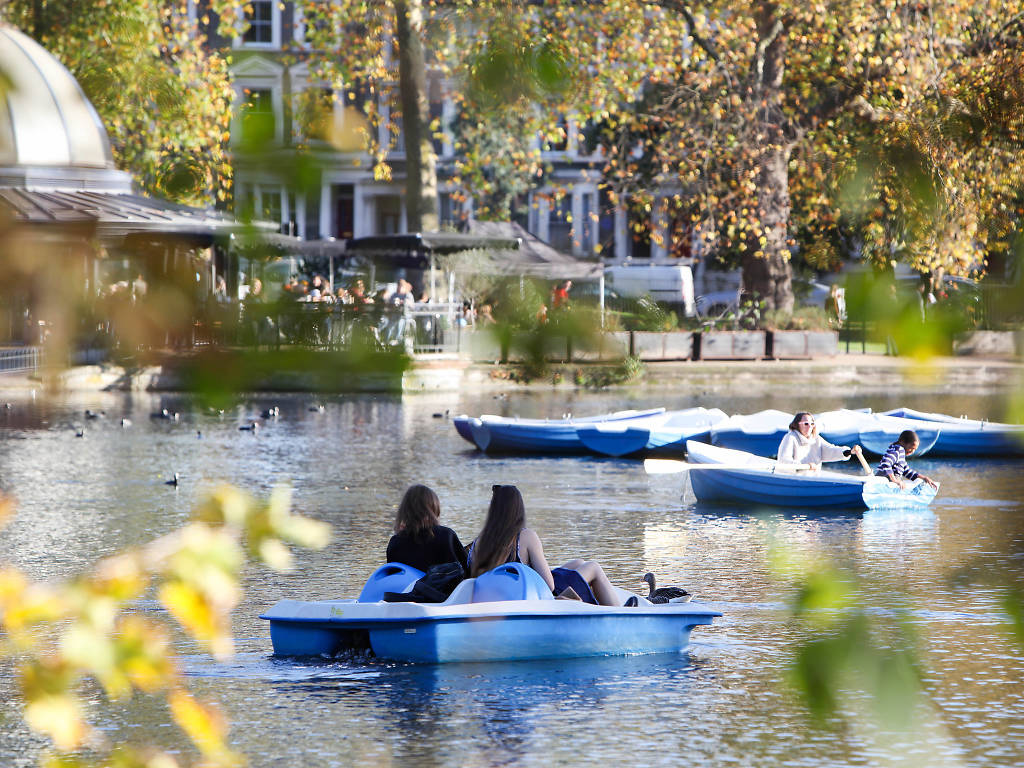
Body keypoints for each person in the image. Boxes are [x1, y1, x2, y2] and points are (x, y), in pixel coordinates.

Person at [467, 484, 622, 606]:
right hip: (530, 596)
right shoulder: (525, 536)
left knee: (578, 563)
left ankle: (596, 601)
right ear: (518, 509)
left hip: (499, 594)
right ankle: (618, 613)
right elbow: (549, 585)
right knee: (593, 566)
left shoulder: (479, 541)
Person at [386, 484, 468, 574]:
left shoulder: (395, 542)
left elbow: (392, 575)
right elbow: (465, 570)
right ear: (433, 508)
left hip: (409, 587)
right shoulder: (446, 535)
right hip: (441, 587)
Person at [777, 411, 863, 471]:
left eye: (812, 424)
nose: (809, 426)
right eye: (806, 424)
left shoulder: (816, 439)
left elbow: (831, 450)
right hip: (794, 478)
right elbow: (784, 461)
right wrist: (803, 466)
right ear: (797, 425)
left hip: (812, 478)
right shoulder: (790, 438)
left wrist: (850, 452)